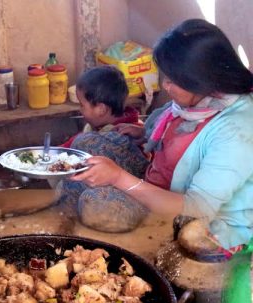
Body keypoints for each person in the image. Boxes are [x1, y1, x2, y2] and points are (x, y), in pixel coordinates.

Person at [71, 18, 253, 257]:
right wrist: (143, 131)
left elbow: (194, 209)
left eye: (172, 80)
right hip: (159, 179)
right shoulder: (202, 98)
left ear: (202, 78)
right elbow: (172, 129)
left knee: (97, 203)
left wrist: (117, 177)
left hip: (194, 219)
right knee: (85, 147)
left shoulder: (237, 131)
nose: (165, 86)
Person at [60, 66, 151, 232]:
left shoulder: (121, 135)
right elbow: (70, 146)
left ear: (101, 109)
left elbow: (75, 145)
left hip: (130, 195)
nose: (80, 109)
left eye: (82, 105)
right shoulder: (100, 127)